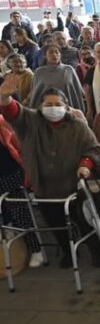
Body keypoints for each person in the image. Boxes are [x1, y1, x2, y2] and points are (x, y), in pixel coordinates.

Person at [0, 81, 100, 268]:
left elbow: (93, 149)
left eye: (57, 104)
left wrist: (85, 165)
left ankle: (97, 251)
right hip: (44, 187)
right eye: (48, 104)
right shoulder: (31, 122)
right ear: (40, 106)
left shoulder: (78, 126)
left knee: (83, 220)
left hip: (73, 184)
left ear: (66, 106)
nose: (53, 108)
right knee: (56, 223)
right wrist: (5, 97)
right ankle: (69, 252)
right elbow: (14, 113)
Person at [0, 111, 43, 267]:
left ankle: (36, 249)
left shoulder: (2, 122)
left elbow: (18, 146)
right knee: (6, 213)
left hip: (10, 172)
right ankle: (11, 238)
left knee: (20, 211)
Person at [28, 44, 85, 111]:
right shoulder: (39, 72)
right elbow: (35, 93)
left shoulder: (69, 69)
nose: (54, 55)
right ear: (45, 56)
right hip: (46, 109)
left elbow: (77, 91)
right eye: (50, 52)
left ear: (60, 55)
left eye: (56, 52)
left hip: (68, 109)